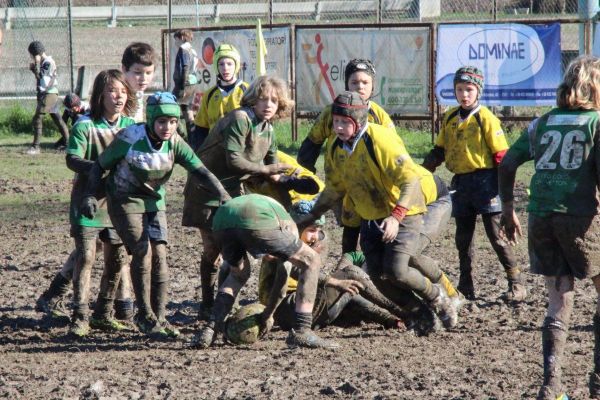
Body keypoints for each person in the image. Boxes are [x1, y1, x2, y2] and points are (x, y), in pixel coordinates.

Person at [298, 91, 459, 329]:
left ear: (359, 121)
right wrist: (308, 218)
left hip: (404, 213)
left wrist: (396, 217)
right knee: (378, 276)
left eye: (345, 122)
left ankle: (437, 296)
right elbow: (334, 190)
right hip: (371, 218)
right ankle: (418, 311)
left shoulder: (380, 140)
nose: (339, 127)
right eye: (336, 122)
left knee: (397, 270)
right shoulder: (334, 148)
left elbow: (410, 180)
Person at [81, 92, 230, 339]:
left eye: (172, 122)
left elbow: (200, 171)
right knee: (142, 251)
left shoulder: (175, 142)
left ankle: (159, 317)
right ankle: (144, 315)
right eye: (162, 122)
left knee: (160, 254)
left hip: (153, 199)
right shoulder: (130, 137)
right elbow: (99, 166)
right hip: (123, 197)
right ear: (151, 120)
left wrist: (223, 195)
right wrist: (89, 196)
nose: (167, 127)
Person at [498, 55, 600, 399]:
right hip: (581, 218)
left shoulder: (542, 123)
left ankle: (551, 386)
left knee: (558, 302)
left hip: (541, 217)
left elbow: (508, 162)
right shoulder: (596, 123)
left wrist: (508, 208)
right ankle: (597, 383)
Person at [181, 75, 293, 321]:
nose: (269, 105)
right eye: (263, 99)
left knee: (232, 250)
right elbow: (235, 161)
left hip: (233, 194)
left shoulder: (269, 130)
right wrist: (266, 170)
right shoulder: (240, 119)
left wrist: (293, 181)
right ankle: (208, 305)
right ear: (253, 99)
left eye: (274, 100)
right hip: (206, 191)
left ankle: (220, 306)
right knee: (213, 250)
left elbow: (273, 171)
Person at [422, 65, 527, 302]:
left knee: (496, 234)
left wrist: (505, 190)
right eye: (459, 89)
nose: (464, 94)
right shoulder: (449, 118)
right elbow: (438, 151)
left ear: (478, 91)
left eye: (469, 89)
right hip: (461, 182)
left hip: (487, 181)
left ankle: (516, 283)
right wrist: (421, 171)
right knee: (463, 238)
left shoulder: (486, 119)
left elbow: (502, 158)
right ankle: (465, 284)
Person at [192, 194, 339, 349]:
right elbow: (282, 277)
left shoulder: (277, 211)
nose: (316, 238)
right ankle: (302, 330)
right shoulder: (290, 227)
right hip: (254, 217)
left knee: (238, 274)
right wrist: (268, 314)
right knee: (312, 261)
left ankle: (210, 329)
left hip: (222, 218)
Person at [259, 201, 419, 334]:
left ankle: (392, 320)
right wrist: (336, 282)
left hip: (307, 304)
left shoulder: (317, 242)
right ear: (296, 228)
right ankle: (408, 313)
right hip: (286, 309)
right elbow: (302, 271)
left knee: (351, 291)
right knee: (352, 274)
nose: (315, 236)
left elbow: (316, 279)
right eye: (311, 231)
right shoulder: (283, 242)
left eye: (318, 231)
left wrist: (338, 281)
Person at [60, 69, 137, 337]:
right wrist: (100, 167)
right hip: (87, 201)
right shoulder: (84, 125)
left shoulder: (130, 127)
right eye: (113, 91)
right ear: (100, 94)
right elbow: (72, 159)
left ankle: (103, 313)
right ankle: (80, 316)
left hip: (118, 202)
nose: (119, 96)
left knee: (117, 259)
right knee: (87, 256)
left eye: (123, 92)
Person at [297, 59, 395, 253]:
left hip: (372, 185)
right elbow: (312, 143)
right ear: (346, 84)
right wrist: (306, 175)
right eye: (354, 82)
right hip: (341, 183)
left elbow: (393, 152)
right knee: (349, 226)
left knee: (373, 228)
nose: (359, 87)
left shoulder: (379, 115)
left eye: (365, 82)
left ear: (373, 85)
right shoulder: (331, 112)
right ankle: (346, 266)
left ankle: (370, 267)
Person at [189, 43, 249, 150]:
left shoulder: (247, 91)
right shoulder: (209, 95)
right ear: (216, 66)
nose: (225, 68)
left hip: (243, 149)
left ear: (236, 66)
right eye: (221, 64)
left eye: (229, 64)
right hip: (216, 151)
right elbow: (201, 128)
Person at [26, 40, 70, 155]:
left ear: (36, 53)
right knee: (57, 119)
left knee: (37, 117)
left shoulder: (47, 62)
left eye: (32, 55)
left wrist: (35, 65)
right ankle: (69, 144)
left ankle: (36, 147)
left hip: (49, 94)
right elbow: (41, 78)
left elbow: (42, 78)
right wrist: (34, 70)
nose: (31, 57)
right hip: (51, 93)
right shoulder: (45, 62)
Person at [121, 42, 157, 123]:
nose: (144, 78)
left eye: (148, 73)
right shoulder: (118, 95)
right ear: (124, 69)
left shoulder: (137, 91)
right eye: (137, 72)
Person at [172, 29, 198, 135]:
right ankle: (193, 136)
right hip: (192, 83)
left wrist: (182, 87)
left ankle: (180, 133)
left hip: (184, 84)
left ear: (182, 38)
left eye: (176, 39)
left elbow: (185, 67)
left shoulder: (183, 49)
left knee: (171, 106)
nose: (175, 43)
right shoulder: (192, 49)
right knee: (187, 109)